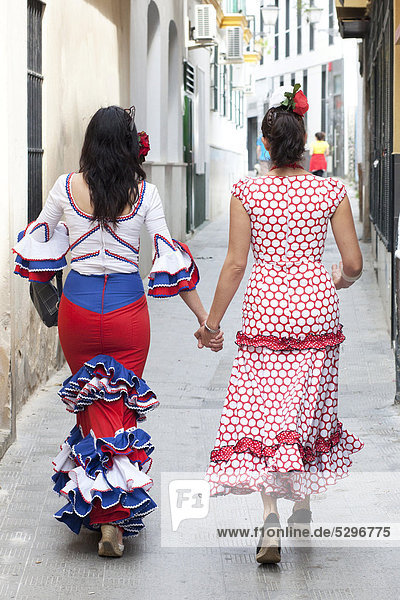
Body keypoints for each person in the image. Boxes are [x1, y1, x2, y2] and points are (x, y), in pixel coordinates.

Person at [13, 105, 223, 558]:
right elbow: (171, 258)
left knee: (90, 404)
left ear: (90, 142)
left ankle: (102, 510)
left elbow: (37, 244)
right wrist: (205, 322)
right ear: (129, 145)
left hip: (79, 311)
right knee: (121, 405)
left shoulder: (66, 188)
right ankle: (114, 518)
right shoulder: (144, 194)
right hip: (129, 310)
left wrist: (47, 291)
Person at [195, 84, 364, 564]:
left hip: (265, 315)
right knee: (305, 413)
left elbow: (233, 265)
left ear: (265, 144)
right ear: (304, 140)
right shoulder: (331, 190)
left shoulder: (247, 191)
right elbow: (351, 263)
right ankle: (303, 503)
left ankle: (270, 515)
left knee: (264, 415)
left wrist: (211, 323)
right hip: (315, 312)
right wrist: (341, 280)